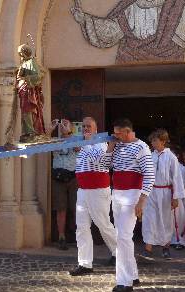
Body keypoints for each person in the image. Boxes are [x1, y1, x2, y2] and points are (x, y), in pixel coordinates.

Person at [104, 118, 154, 292]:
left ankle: (125, 282)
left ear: (127, 131)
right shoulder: (117, 145)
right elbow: (104, 166)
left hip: (132, 194)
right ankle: (132, 275)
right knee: (123, 237)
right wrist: (110, 147)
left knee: (123, 237)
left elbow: (149, 175)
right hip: (117, 193)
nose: (115, 136)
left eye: (118, 133)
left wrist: (142, 200)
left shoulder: (142, 147)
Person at [69, 117, 117, 276]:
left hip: (98, 190)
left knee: (103, 224)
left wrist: (87, 143)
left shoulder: (100, 143)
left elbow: (101, 162)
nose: (85, 129)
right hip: (83, 190)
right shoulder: (82, 144)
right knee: (81, 227)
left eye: (89, 126)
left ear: (96, 129)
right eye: (83, 126)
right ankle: (85, 264)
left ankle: (120, 253)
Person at [139, 129, 185, 261]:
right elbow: (144, 174)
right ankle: (148, 249)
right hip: (151, 191)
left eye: (155, 140)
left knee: (165, 219)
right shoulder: (149, 156)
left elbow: (176, 177)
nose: (152, 143)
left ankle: (166, 247)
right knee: (149, 219)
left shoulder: (171, 157)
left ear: (163, 141)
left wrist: (176, 197)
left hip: (165, 192)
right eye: (152, 140)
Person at [49, 119, 78, 250]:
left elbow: (79, 148)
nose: (63, 128)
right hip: (59, 178)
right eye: (61, 126)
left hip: (73, 177)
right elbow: (41, 143)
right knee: (61, 209)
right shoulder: (55, 141)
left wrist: (70, 133)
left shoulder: (76, 139)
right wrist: (50, 130)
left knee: (76, 208)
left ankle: (79, 236)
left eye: (65, 125)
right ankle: (61, 237)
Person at [16, 43, 46, 142]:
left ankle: (31, 132)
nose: (20, 55)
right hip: (23, 90)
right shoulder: (25, 63)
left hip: (28, 91)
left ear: (25, 52)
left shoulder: (31, 62)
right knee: (25, 112)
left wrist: (25, 78)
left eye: (21, 53)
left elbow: (38, 76)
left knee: (28, 111)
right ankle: (27, 132)